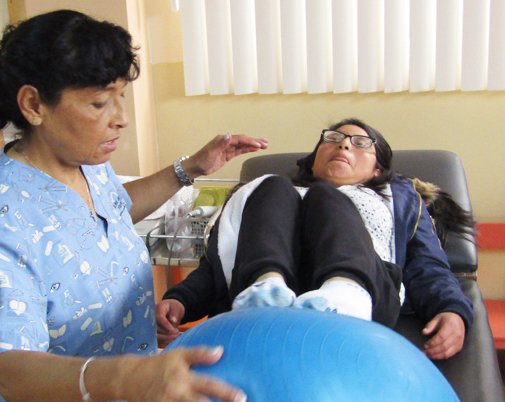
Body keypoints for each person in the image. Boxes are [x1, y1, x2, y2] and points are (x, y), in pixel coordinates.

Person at [0, 10, 268, 402]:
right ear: (34, 105)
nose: (119, 116)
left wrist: (191, 166)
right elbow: (11, 370)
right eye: (100, 102)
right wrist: (129, 374)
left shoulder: (83, 162)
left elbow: (114, 210)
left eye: (120, 95)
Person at [156, 119, 473, 360]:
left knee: (327, 197)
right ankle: (265, 289)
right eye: (333, 139)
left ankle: (343, 295)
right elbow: (219, 265)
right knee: (271, 187)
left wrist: (452, 308)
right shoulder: (265, 193)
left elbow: (427, 265)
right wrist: (180, 299)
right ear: (313, 157)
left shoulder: (398, 199)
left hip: (364, 300)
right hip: (260, 303)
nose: (344, 146)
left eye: (361, 143)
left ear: (379, 171)